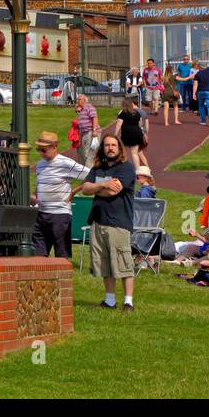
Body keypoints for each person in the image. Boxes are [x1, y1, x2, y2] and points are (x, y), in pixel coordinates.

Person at [75, 133, 138, 310]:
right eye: (107, 145)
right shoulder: (97, 168)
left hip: (119, 222)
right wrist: (103, 185)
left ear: (119, 148)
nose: (110, 148)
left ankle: (128, 302)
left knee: (123, 262)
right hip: (98, 221)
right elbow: (86, 189)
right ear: (102, 148)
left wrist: (97, 187)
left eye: (113, 145)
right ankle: (109, 300)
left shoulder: (126, 168)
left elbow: (113, 191)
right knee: (103, 263)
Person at [30, 130, 89, 258]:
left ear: (54, 147)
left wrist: (75, 190)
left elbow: (90, 174)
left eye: (44, 150)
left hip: (60, 215)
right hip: (41, 214)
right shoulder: (40, 165)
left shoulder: (65, 163)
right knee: (38, 254)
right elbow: (41, 184)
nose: (40, 153)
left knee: (62, 255)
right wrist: (35, 195)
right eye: (39, 149)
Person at [113, 96, 149, 172]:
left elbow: (119, 123)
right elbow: (140, 124)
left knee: (123, 151)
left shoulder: (123, 112)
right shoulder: (136, 113)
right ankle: (138, 169)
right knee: (134, 153)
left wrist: (115, 134)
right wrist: (143, 134)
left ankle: (123, 168)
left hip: (127, 133)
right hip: (137, 133)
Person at [74, 94, 99, 167]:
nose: (77, 101)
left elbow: (94, 118)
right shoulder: (80, 109)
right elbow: (79, 121)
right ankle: (84, 169)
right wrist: (78, 111)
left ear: (84, 100)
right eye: (77, 99)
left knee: (89, 153)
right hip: (83, 133)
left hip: (90, 132)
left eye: (79, 99)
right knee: (82, 152)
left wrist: (94, 130)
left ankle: (89, 171)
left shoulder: (89, 107)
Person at [194, 59, 209, 125]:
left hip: (200, 92)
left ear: (200, 67)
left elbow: (195, 84)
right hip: (208, 91)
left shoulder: (197, 74)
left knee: (201, 106)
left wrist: (194, 94)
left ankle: (203, 121)